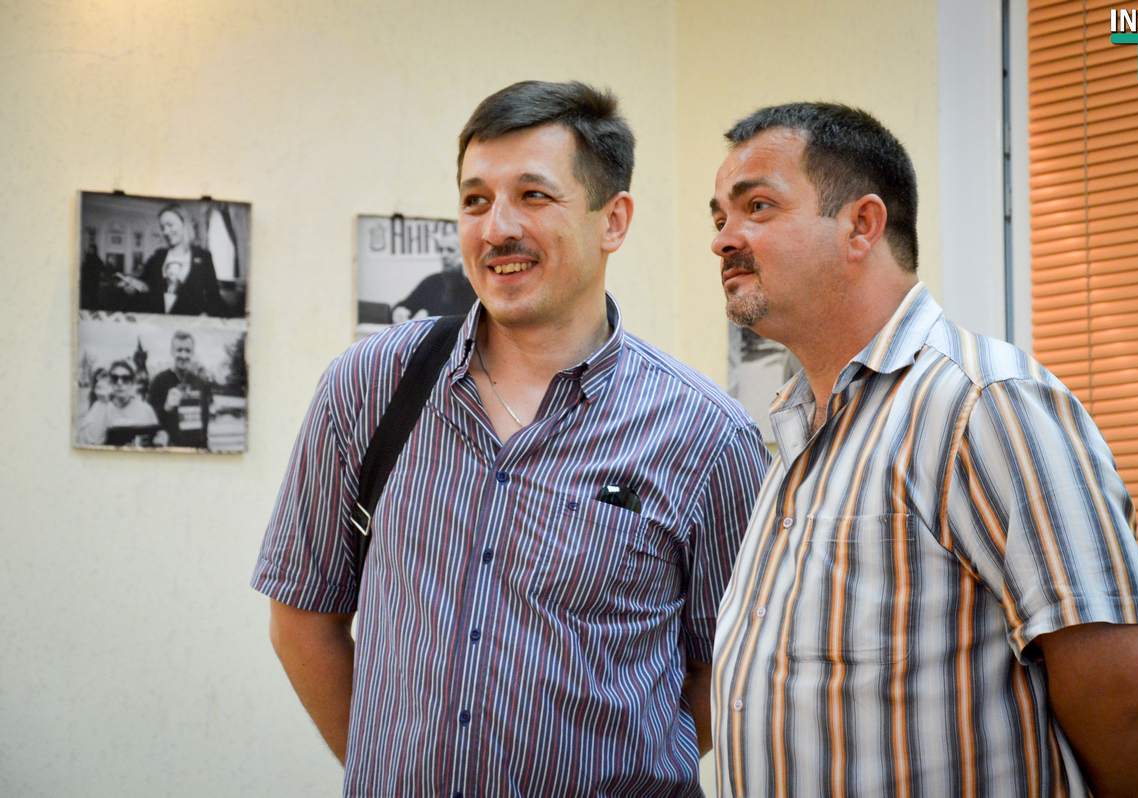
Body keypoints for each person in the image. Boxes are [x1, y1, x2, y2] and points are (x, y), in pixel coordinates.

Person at [253, 80, 768, 798]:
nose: (496, 229)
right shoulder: (371, 385)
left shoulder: (706, 437)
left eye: (533, 195)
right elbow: (303, 616)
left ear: (613, 220)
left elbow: (730, 668)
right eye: (475, 200)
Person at [708, 103, 1138, 798]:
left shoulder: (984, 402)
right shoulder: (795, 427)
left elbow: (1130, 685)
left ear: (862, 225)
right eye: (719, 217)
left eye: (757, 207)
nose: (724, 240)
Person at [120, 204, 226, 316]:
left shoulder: (203, 257)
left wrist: (207, 315)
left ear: (184, 224)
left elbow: (214, 297)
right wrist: (134, 287)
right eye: (162, 227)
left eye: (170, 225)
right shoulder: (158, 257)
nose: (165, 232)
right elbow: (145, 289)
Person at [391, 233, 478, 322]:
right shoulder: (432, 282)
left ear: (464, 254)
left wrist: (469, 271)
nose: (444, 255)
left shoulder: (476, 283)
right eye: (441, 250)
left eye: (450, 250)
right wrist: (399, 311)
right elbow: (406, 306)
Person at [148, 330, 212, 449]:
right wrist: (166, 408)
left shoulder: (201, 383)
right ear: (172, 352)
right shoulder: (159, 381)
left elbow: (204, 422)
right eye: (179, 350)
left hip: (196, 449)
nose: (183, 356)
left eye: (187, 351)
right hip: (171, 450)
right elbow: (149, 419)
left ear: (192, 353)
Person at [76, 359, 162, 446]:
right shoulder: (100, 406)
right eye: (114, 378)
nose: (120, 383)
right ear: (109, 382)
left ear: (132, 383)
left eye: (126, 378)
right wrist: (102, 403)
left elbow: (155, 438)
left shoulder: (145, 409)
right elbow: (90, 442)